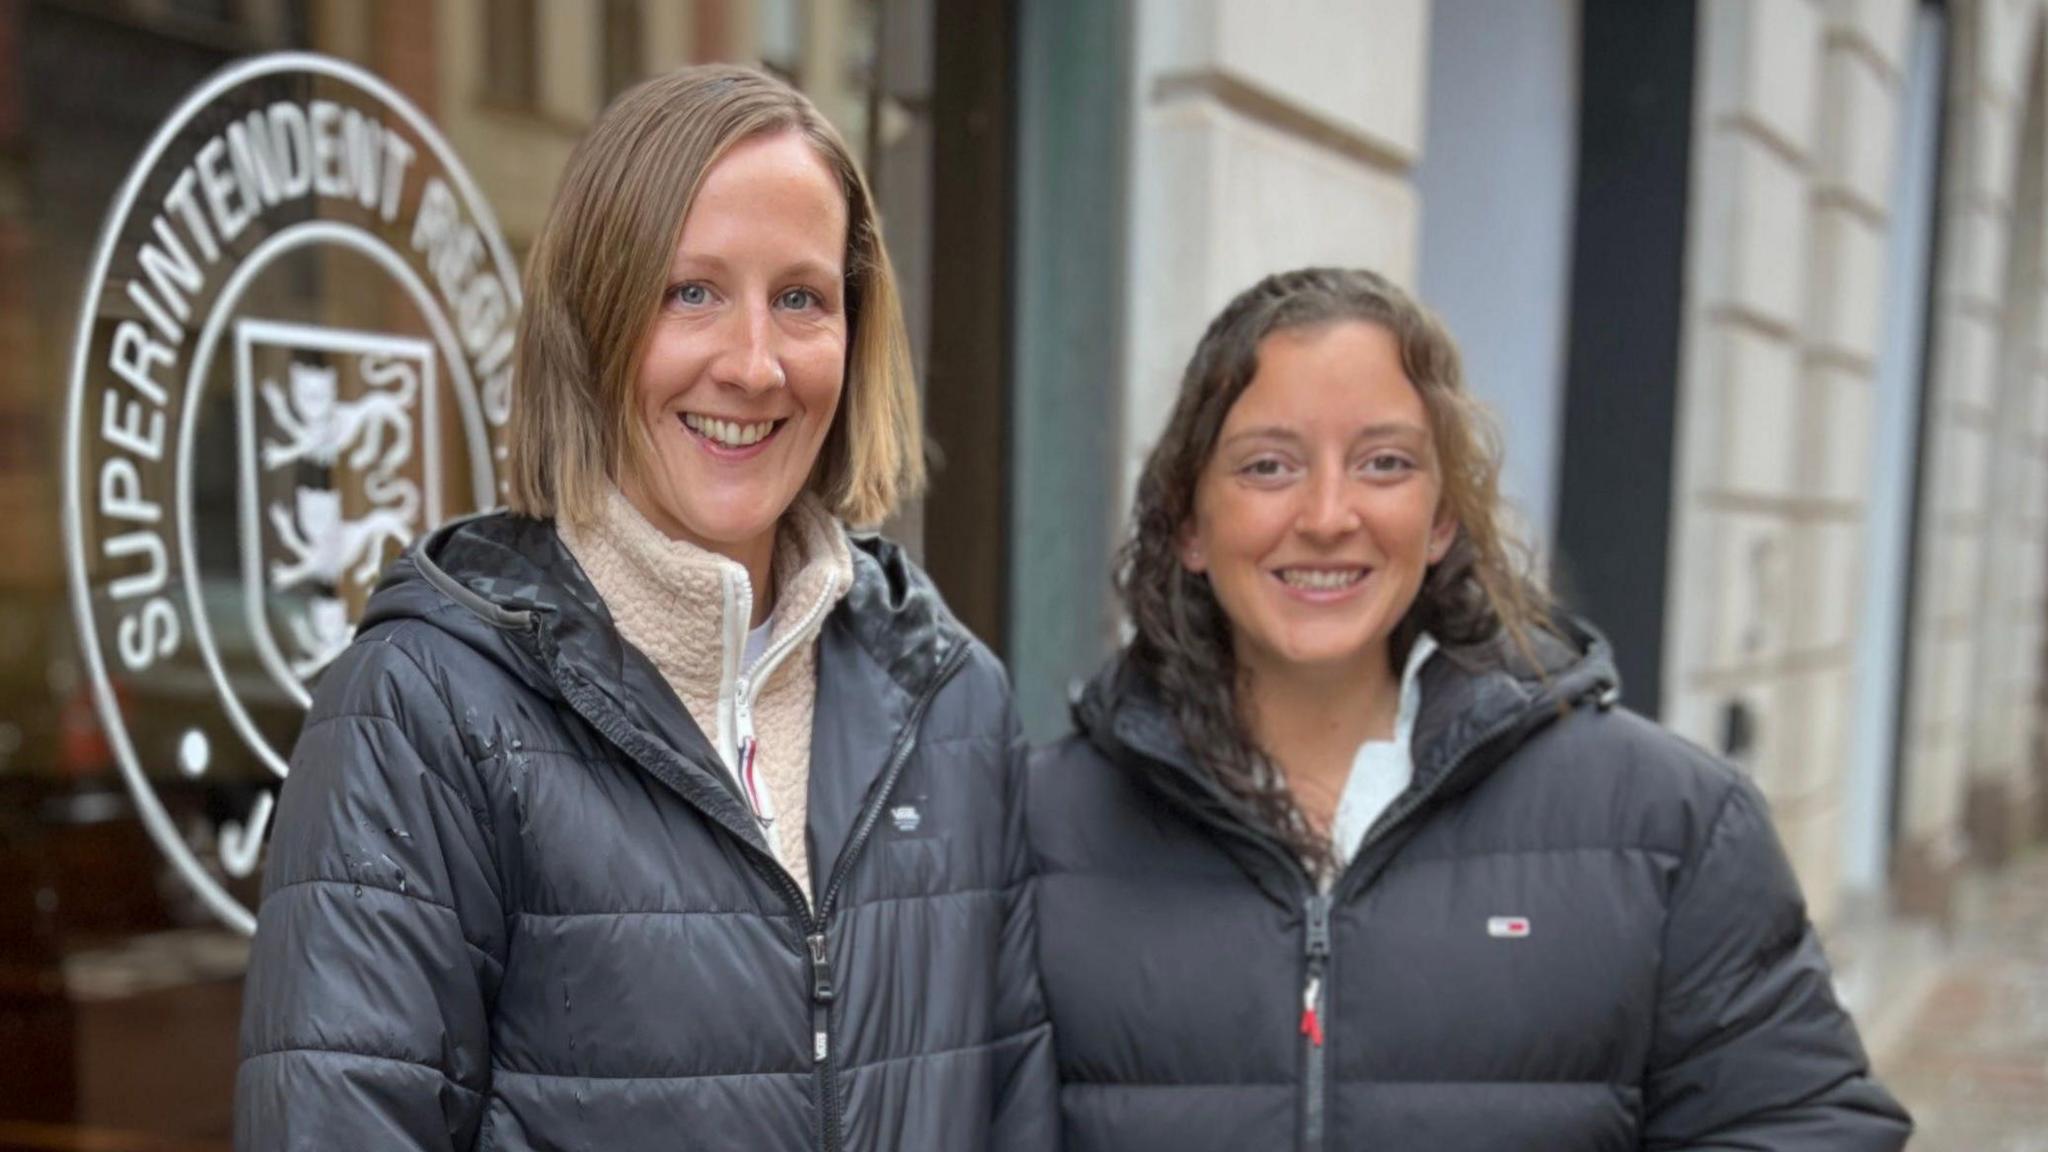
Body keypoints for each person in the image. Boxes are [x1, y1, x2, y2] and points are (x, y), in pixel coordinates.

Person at [235, 65, 1054, 1151]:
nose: (753, 364)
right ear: (591, 324)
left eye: (800, 297)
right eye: (690, 292)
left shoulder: (951, 704)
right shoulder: (425, 710)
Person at [1027, 267, 1910, 1150]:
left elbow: (1804, 1126)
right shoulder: (1034, 832)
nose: (1329, 514)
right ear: (1188, 524)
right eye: (1268, 466)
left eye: (1385, 463)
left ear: (1442, 517)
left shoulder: (1668, 823)